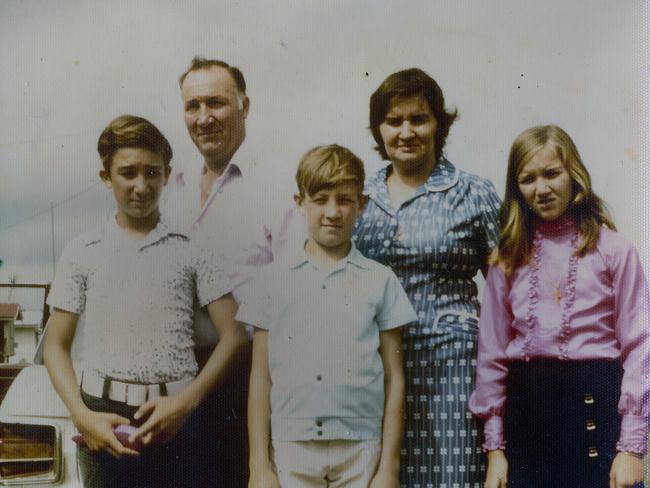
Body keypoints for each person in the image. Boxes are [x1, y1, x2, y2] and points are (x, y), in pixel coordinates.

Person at [43, 115, 247, 488]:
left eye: (152, 173)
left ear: (167, 174)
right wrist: (82, 415)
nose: (141, 185)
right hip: (103, 419)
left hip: (177, 420)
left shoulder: (193, 247)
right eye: (128, 173)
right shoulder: (82, 250)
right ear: (106, 177)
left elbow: (233, 334)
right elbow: (56, 344)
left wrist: (186, 403)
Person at [469, 125, 648, 488]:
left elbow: (640, 346)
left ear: (575, 175)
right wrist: (495, 450)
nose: (542, 188)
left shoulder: (614, 250)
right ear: (516, 188)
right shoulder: (507, 259)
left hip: (595, 409)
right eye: (528, 179)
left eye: (552, 174)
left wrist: (631, 447)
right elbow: (490, 355)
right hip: (529, 416)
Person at [352, 68, 501, 487]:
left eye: (418, 119)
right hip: (373, 373)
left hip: (451, 370)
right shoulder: (358, 197)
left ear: (438, 123)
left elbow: (507, 292)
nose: (406, 132)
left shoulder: (473, 193)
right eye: (393, 121)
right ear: (378, 129)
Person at [240, 144, 418, 487]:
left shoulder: (380, 279)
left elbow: (394, 378)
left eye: (345, 199)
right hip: (292, 450)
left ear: (361, 204)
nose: (333, 212)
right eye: (320, 199)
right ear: (300, 203)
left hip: (361, 451)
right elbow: (260, 378)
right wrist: (259, 466)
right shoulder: (272, 280)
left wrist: (388, 469)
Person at [164, 57, 288, 486]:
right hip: (179, 378)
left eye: (215, 104)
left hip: (254, 379)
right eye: (192, 106)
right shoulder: (170, 188)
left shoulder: (277, 185)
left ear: (245, 106)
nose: (203, 118)